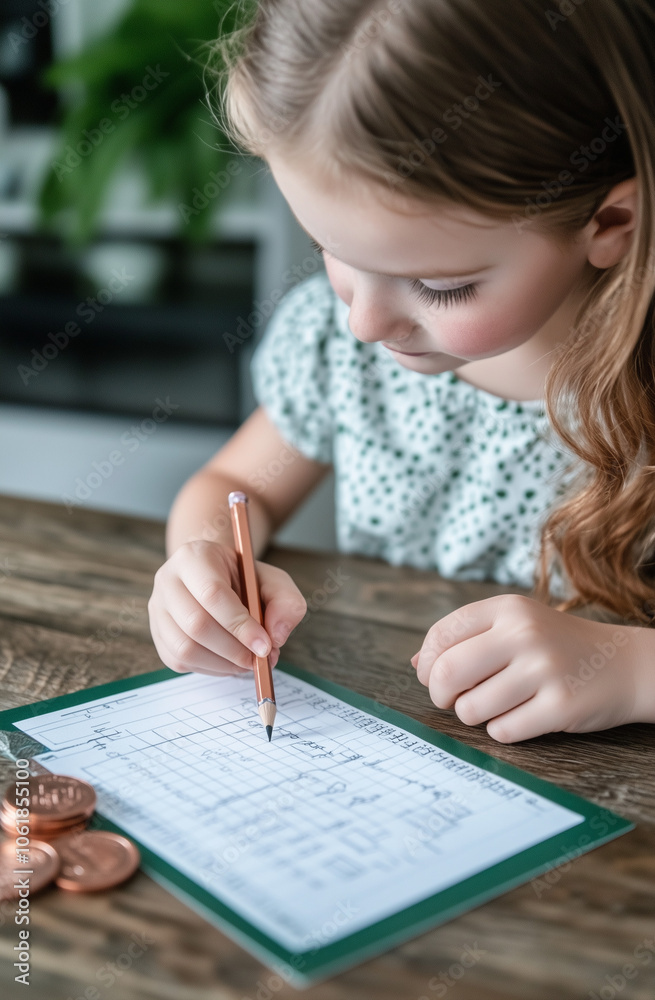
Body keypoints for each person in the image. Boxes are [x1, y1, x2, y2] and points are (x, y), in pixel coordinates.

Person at [148, 0, 655, 742]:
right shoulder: (338, 343)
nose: (365, 323)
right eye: (335, 250)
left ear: (609, 225)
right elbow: (239, 487)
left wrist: (631, 670)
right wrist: (209, 568)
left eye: (441, 285)